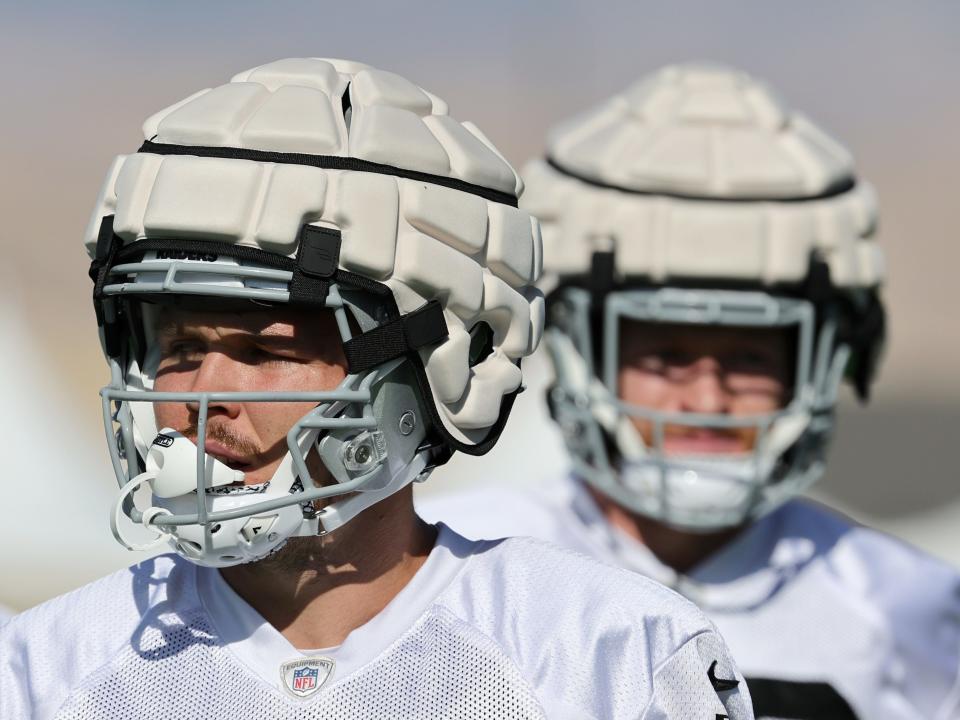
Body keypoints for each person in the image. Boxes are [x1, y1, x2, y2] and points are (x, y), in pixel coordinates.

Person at [0, 58, 754, 719]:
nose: (207, 395)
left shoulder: (607, 654)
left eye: (264, 351)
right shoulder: (43, 668)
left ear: (432, 370)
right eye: (182, 348)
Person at [420, 64, 960, 719]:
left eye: (750, 357)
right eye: (666, 355)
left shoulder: (905, 604)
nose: (706, 400)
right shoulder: (451, 568)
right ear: (580, 349)